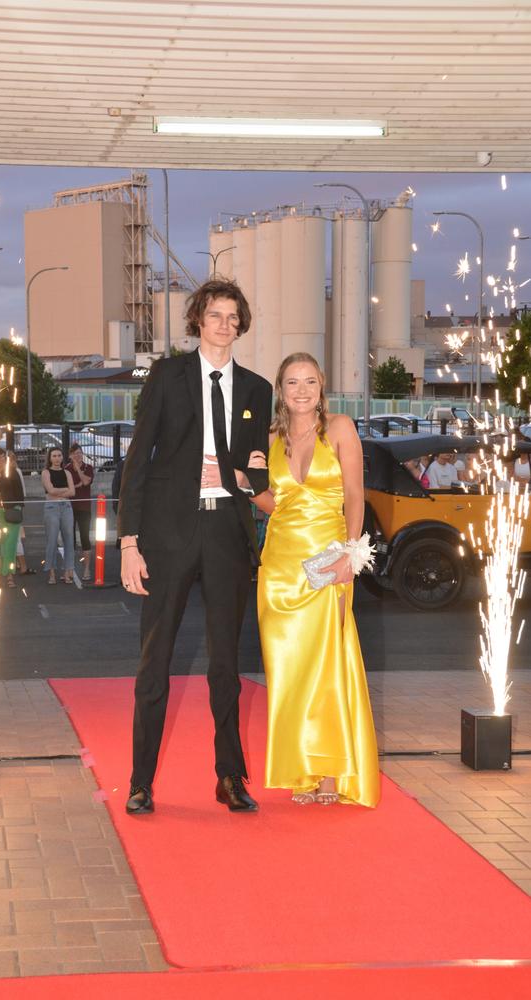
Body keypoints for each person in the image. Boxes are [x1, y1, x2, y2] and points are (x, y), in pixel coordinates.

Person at [118, 278, 272, 815]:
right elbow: (138, 459)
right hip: (166, 535)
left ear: (240, 324)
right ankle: (141, 780)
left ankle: (230, 777)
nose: (224, 325)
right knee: (154, 662)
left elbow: (258, 472)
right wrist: (129, 542)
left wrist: (253, 476)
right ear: (198, 321)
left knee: (226, 665)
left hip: (226, 535)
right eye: (215, 315)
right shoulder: (167, 375)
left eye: (233, 316)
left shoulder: (256, 388)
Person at [253, 353, 380, 808]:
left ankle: (329, 771)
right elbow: (275, 503)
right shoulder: (268, 437)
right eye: (292, 382)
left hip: (329, 564)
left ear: (322, 385)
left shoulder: (340, 427)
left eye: (309, 381)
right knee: (287, 670)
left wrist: (350, 553)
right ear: (280, 390)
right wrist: (240, 482)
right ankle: (300, 770)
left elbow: (353, 494)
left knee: (328, 665)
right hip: (280, 568)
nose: (301, 390)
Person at [0, 446, 24, 588]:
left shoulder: (12, 472)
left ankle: (9, 574)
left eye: (2, 456)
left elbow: (20, 495)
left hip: (9, 511)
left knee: (10, 545)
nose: (1, 459)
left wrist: (17, 508)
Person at [41, 447, 75, 585]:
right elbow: (50, 490)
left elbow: (72, 492)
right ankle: (52, 572)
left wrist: (58, 493)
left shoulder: (67, 472)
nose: (57, 458)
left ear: (62, 457)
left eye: (59, 455)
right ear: (50, 458)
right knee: (52, 540)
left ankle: (68, 572)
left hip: (66, 507)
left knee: (69, 539)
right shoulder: (45, 472)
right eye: (54, 456)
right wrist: (64, 490)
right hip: (51, 508)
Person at [65, 443, 94, 581]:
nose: (78, 455)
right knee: (70, 539)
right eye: (75, 453)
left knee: (85, 538)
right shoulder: (66, 469)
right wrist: (77, 485)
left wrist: (78, 469)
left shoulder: (89, 467)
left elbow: (86, 482)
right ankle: (69, 570)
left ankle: (87, 569)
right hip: (69, 508)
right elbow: (66, 488)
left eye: (80, 453)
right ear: (70, 455)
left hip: (84, 508)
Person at [7, 450, 34, 575]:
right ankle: (18, 563)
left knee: (15, 537)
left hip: (13, 508)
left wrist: (19, 507)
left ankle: (21, 564)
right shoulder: (11, 471)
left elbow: (21, 492)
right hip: (13, 508)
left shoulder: (15, 472)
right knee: (14, 536)